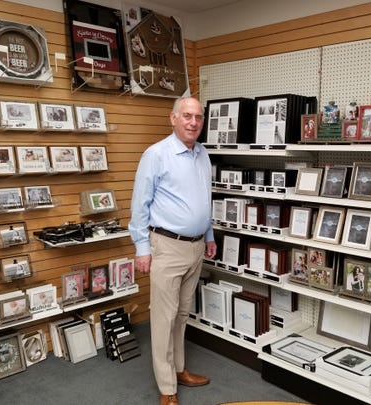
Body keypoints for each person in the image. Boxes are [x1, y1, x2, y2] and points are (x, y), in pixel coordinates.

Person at [129, 96, 217, 405]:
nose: (193, 122)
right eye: (187, 116)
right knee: (164, 319)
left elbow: (204, 200)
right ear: (173, 118)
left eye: (198, 117)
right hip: (166, 247)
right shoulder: (156, 155)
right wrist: (142, 248)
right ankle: (167, 388)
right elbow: (139, 206)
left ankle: (179, 369)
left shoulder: (203, 154)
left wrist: (208, 235)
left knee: (181, 314)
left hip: (195, 248)